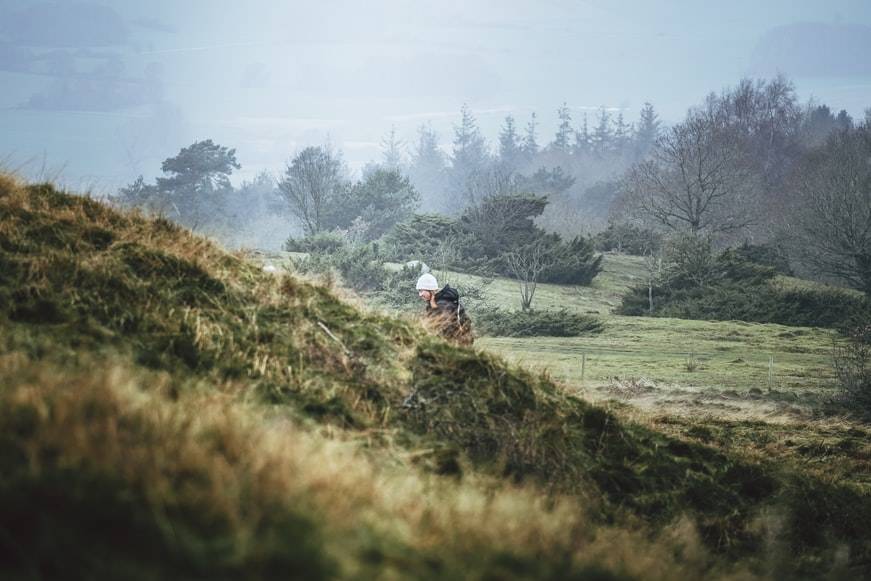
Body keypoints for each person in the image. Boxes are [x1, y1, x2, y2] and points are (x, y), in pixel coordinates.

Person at [416, 273, 473, 345]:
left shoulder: (444, 304)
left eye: (421, 291)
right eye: (419, 291)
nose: (420, 295)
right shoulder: (436, 302)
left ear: (430, 290)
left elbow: (445, 327)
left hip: (457, 345)